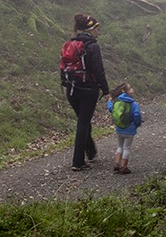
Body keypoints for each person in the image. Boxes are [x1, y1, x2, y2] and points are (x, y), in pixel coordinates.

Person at [60, 14, 109, 171]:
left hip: (71, 89)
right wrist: (105, 89)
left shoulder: (71, 44)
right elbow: (98, 69)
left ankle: (91, 150)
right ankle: (78, 161)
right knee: (83, 122)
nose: (98, 32)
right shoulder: (92, 46)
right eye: (96, 29)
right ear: (90, 30)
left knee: (83, 120)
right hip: (88, 89)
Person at [107, 82, 142, 174]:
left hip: (119, 129)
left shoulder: (117, 102)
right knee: (126, 148)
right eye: (130, 89)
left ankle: (116, 163)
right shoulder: (133, 103)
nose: (132, 90)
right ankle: (124, 167)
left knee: (120, 146)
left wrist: (109, 101)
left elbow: (111, 109)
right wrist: (137, 124)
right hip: (130, 130)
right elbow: (137, 115)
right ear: (125, 92)